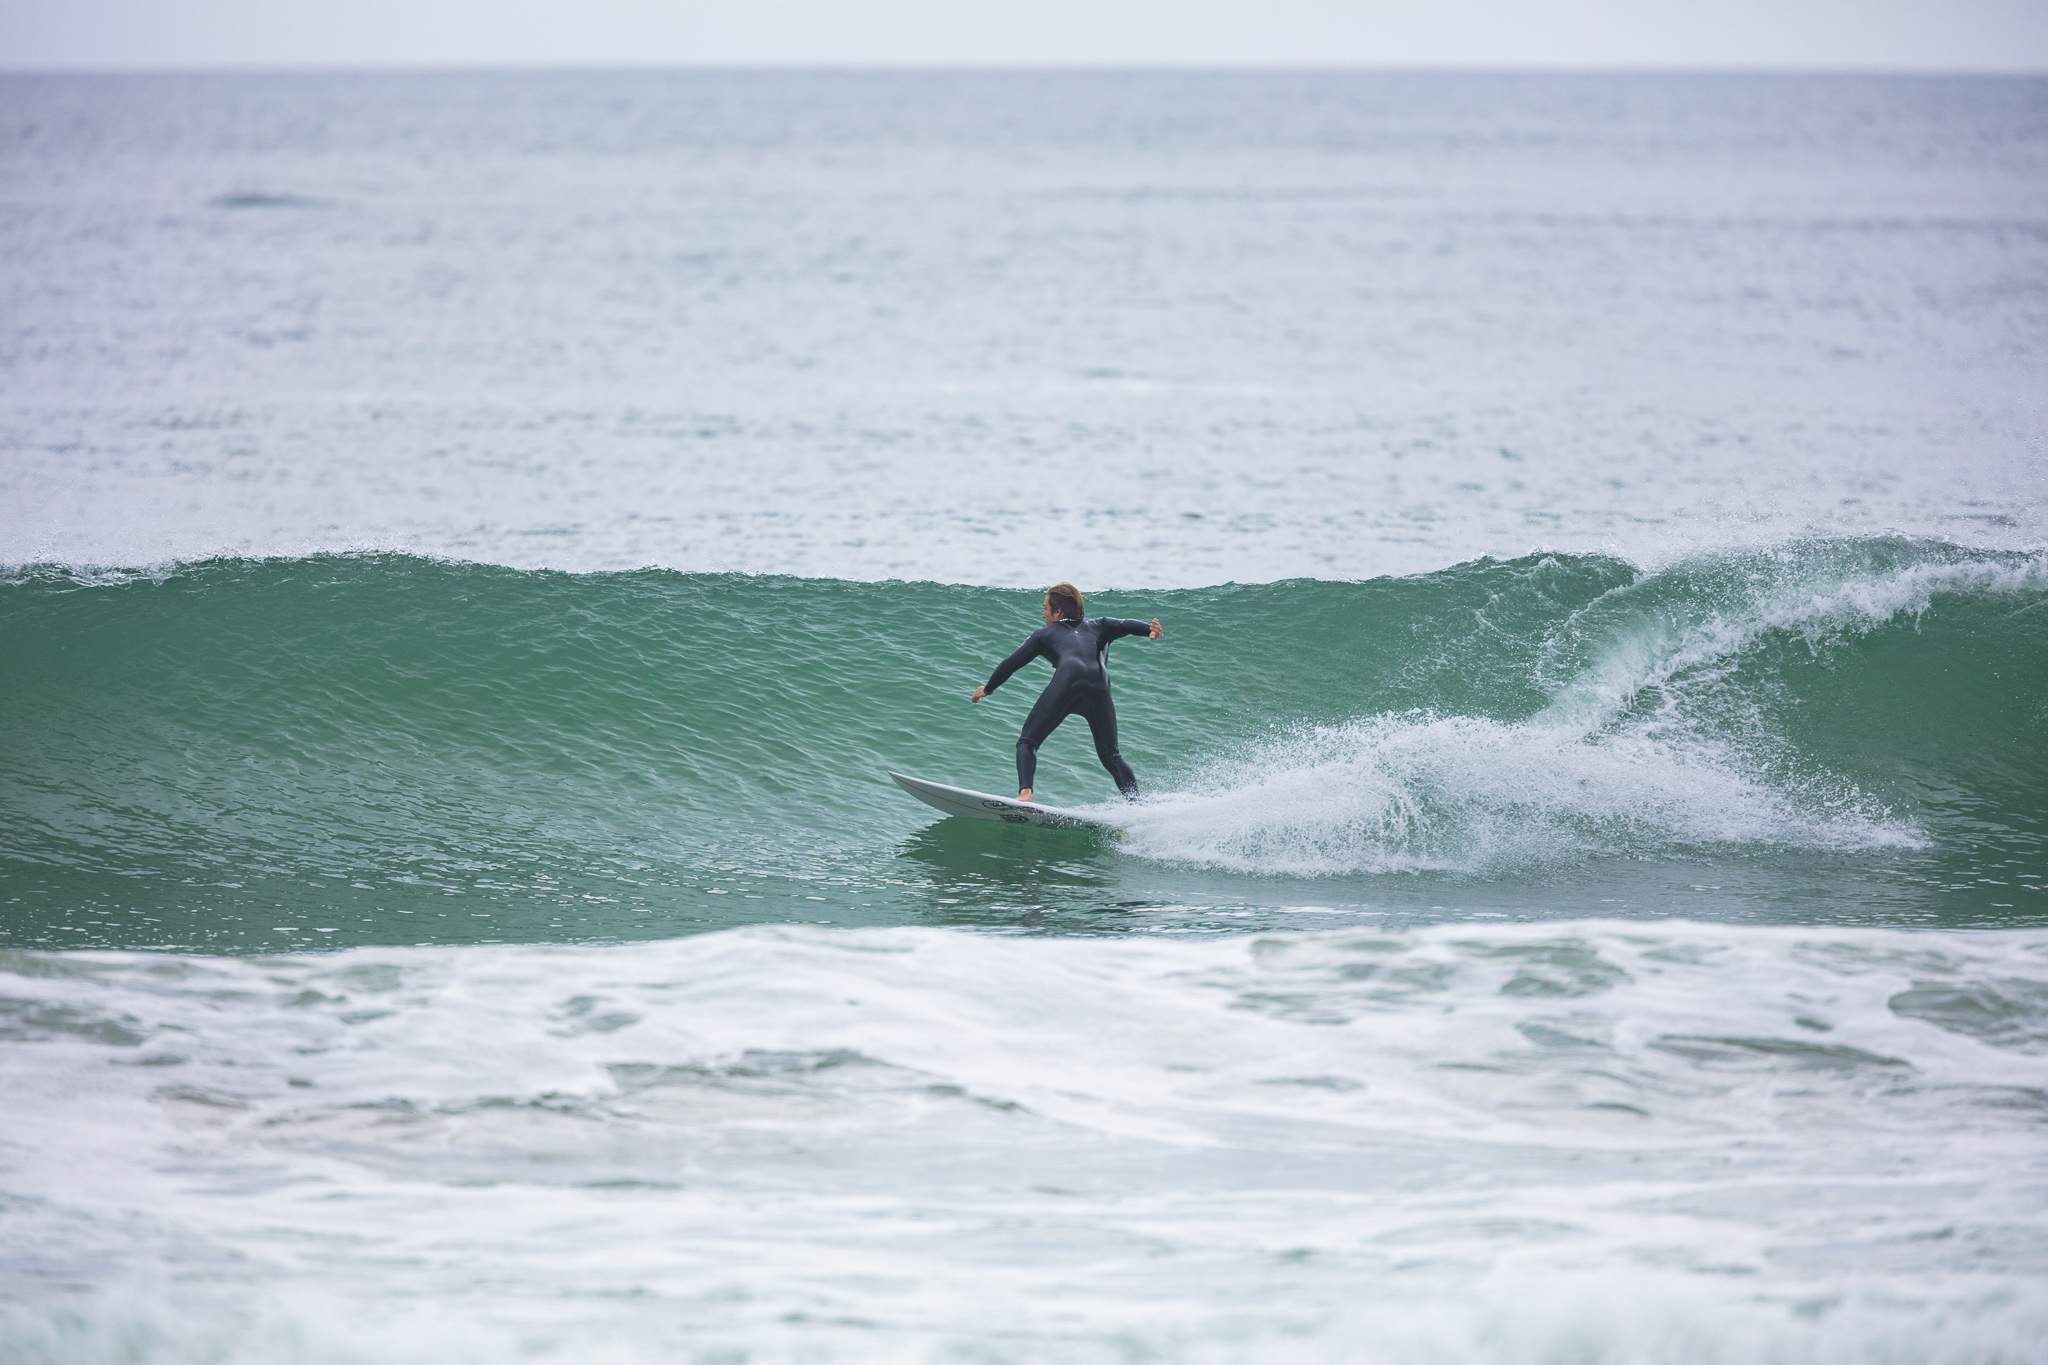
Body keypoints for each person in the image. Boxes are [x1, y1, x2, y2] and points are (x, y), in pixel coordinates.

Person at [970, 582, 1161, 803]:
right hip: (1100, 684)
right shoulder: (1101, 625)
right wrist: (1149, 630)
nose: (1043, 614)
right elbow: (1125, 624)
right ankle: (1137, 806)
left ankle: (1025, 794)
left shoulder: (1043, 635)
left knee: (1027, 742)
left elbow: (1010, 664)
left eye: (1045, 608)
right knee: (1112, 757)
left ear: (1058, 611)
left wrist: (988, 688)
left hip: (1068, 680)